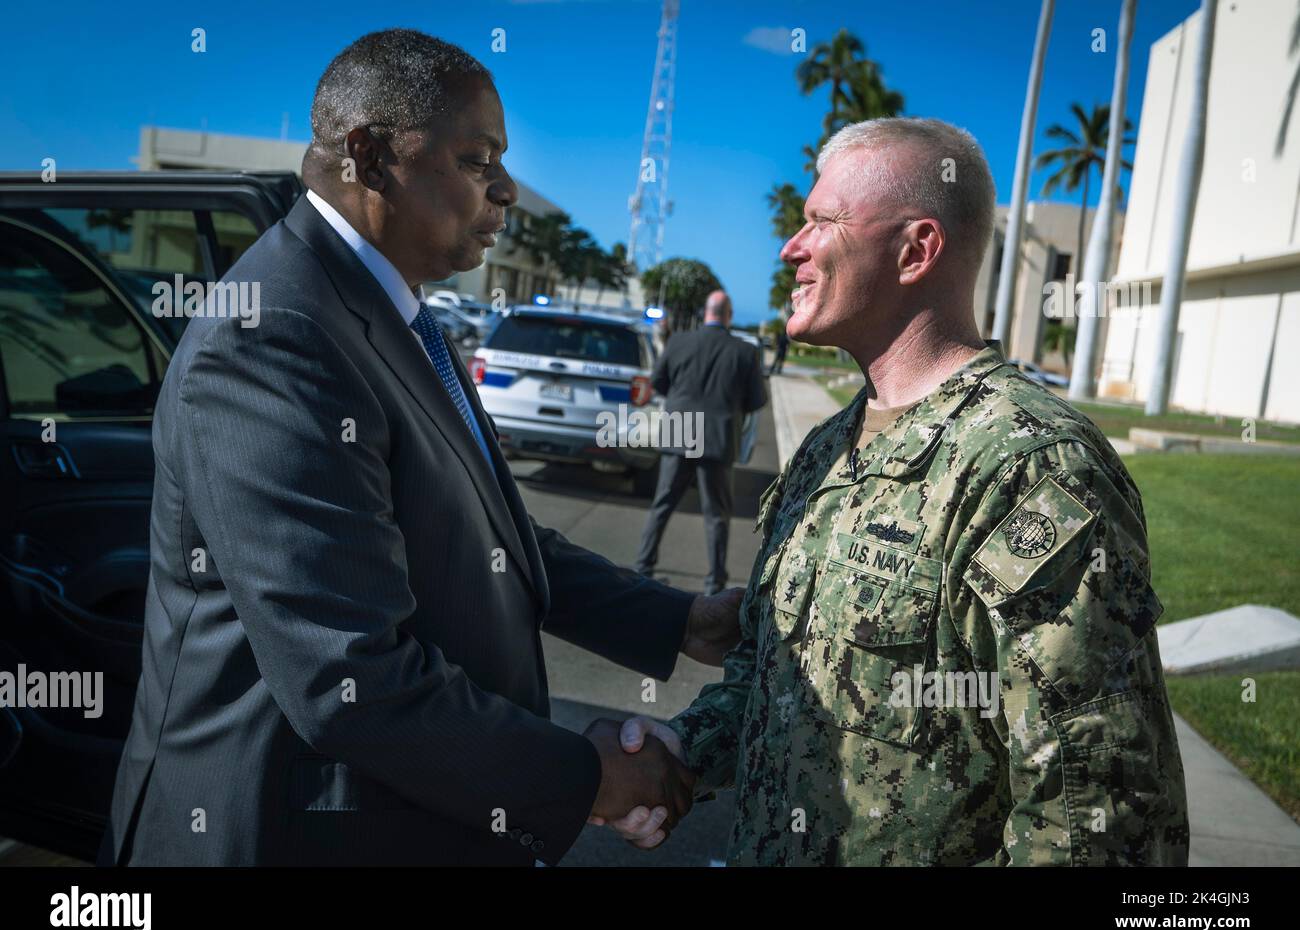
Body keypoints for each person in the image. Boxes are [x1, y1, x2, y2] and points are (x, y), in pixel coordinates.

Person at [101, 29, 739, 867]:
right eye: (478, 160)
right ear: (368, 156)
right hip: (291, 830)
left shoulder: (397, 314)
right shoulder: (276, 336)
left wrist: (682, 619)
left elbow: (497, 544)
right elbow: (346, 676)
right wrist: (587, 777)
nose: (506, 189)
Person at [599, 118, 1189, 865]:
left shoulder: (1030, 468)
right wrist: (680, 748)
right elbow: (771, 682)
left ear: (916, 250)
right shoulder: (825, 448)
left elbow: (1097, 811)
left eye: (822, 221)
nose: (791, 247)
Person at [634, 291, 768, 596]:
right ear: (729, 315)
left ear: (705, 312)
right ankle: (714, 583)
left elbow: (659, 383)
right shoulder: (744, 352)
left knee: (662, 504)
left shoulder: (678, 342)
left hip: (679, 430)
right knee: (717, 515)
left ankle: (643, 568)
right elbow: (756, 401)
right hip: (717, 438)